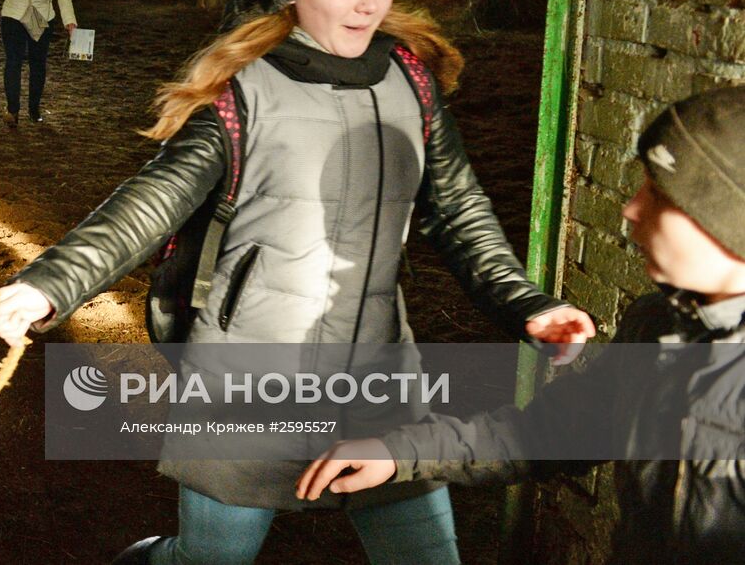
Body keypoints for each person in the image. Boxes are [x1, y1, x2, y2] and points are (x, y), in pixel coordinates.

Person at [0, 0, 594, 565]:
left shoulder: (412, 84)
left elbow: (461, 215)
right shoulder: (243, 93)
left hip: (379, 379)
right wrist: (48, 284)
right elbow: (149, 203)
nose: (368, 3)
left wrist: (531, 306)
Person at [297, 84, 745, 562]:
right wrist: (400, 452)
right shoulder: (659, 326)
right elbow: (552, 431)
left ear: (726, 218)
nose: (631, 208)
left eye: (658, 193)